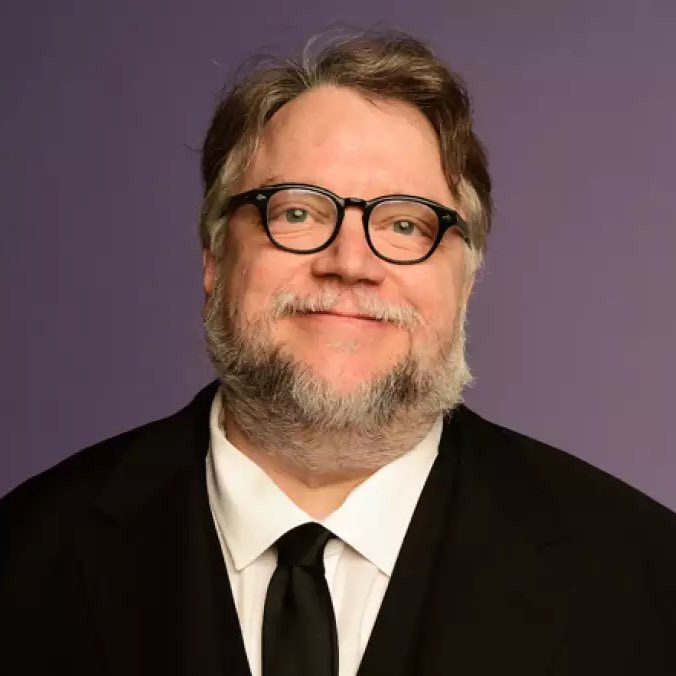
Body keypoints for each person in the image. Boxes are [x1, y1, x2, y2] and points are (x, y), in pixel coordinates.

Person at [1, 30, 675, 676]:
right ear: (215, 256)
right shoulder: (24, 556)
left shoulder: (647, 580)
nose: (350, 262)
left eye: (405, 224)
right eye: (297, 212)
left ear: (467, 279)